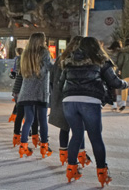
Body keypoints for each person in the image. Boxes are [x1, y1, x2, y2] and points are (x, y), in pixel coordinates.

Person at [60, 37, 128, 186]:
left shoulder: (69, 61)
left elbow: (61, 80)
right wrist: (126, 83)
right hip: (89, 101)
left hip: (69, 102)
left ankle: (71, 169)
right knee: (95, 137)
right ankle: (102, 172)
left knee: (76, 136)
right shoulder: (100, 60)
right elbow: (114, 82)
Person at [48, 36, 91, 167]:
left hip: (61, 96)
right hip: (75, 96)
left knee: (64, 127)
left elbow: (53, 78)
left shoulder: (60, 59)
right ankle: (80, 153)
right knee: (78, 128)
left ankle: (63, 154)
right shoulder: (81, 60)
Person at [17, 32, 53, 159]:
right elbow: (48, 68)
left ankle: (23, 146)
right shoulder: (44, 52)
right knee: (43, 120)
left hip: (27, 91)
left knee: (28, 120)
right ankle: (44, 146)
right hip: (40, 91)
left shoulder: (25, 54)